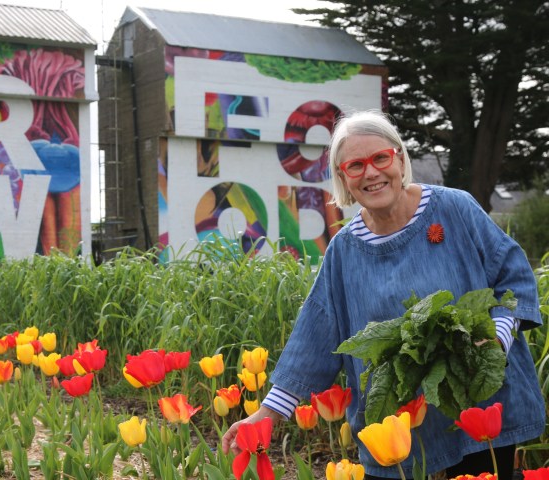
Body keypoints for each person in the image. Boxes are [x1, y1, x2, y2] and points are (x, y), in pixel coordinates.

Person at [221, 110, 545, 479]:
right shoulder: (345, 250)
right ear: (343, 177)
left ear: (400, 158)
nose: (371, 173)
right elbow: (316, 334)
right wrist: (267, 413)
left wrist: (494, 341)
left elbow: (514, 281)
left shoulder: (454, 209)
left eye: (380, 158)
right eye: (355, 165)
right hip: (398, 427)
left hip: (478, 408)